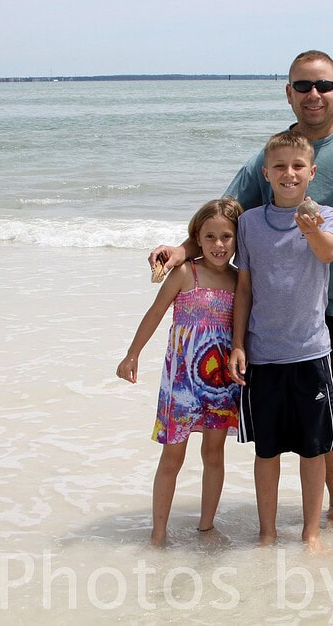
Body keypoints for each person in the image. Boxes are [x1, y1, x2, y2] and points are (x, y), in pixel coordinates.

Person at [151, 50, 333, 527]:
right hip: (312, 315)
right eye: (303, 86)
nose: (314, 95)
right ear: (288, 93)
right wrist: (184, 251)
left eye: (324, 86)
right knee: (332, 412)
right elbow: (225, 219)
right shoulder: (271, 158)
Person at [229, 130, 333, 549]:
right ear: (265, 173)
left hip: (311, 352)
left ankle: (311, 532)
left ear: (311, 172)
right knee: (266, 452)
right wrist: (238, 344)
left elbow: (328, 252)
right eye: (279, 166)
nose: (288, 174)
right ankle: (267, 533)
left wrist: (309, 229)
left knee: (313, 452)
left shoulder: (325, 215)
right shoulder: (249, 222)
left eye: (297, 167)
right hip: (263, 354)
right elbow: (244, 288)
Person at [117, 198, 243, 545]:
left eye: (227, 237)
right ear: (197, 239)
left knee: (214, 454)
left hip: (220, 384)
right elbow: (156, 313)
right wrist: (132, 354)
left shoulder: (239, 279)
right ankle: (158, 533)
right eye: (210, 237)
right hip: (182, 382)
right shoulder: (187, 273)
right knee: (173, 455)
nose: (219, 245)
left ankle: (206, 526)